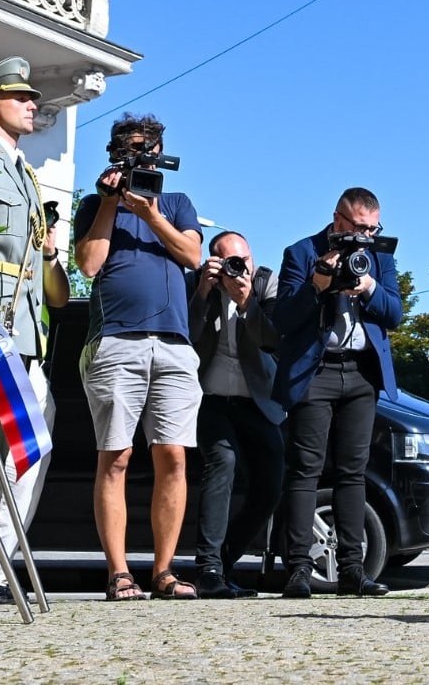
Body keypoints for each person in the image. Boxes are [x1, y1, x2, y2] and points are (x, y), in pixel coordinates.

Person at [73, 113, 205, 601]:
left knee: (173, 455)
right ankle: (119, 572)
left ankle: (164, 571)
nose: (140, 157)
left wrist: (151, 215)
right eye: (131, 149)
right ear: (114, 154)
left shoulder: (176, 203)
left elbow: (192, 257)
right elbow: (89, 264)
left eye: (148, 148)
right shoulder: (93, 204)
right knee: (117, 457)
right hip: (116, 341)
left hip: (173, 343)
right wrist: (110, 203)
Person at [0, 57, 71, 599]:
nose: (33, 104)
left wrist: (52, 255)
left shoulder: (26, 172)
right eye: (20, 96)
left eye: (33, 97)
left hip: (28, 331)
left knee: (26, 447)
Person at [271, 187, 403, 598]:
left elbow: (395, 313)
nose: (364, 235)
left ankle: (352, 569)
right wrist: (318, 285)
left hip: (361, 374)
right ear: (337, 219)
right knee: (305, 470)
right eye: (358, 227)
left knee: (352, 471)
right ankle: (297, 568)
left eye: (372, 227)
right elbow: (284, 320)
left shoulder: (379, 255)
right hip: (316, 371)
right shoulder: (301, 252)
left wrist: (367, 288)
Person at [189, 230, 283, 598]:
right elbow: (188, 334)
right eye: (229, 261)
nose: (238, 269)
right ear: (214, 262)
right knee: (221, 465)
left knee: (271, 485)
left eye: (244, 260)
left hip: (256, 400)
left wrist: (247, 305)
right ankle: (207, 568)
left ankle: (224, 563)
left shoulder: (266, 283)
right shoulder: (201, 286)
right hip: (211, 398)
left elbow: (273, 339)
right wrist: (202, 292)